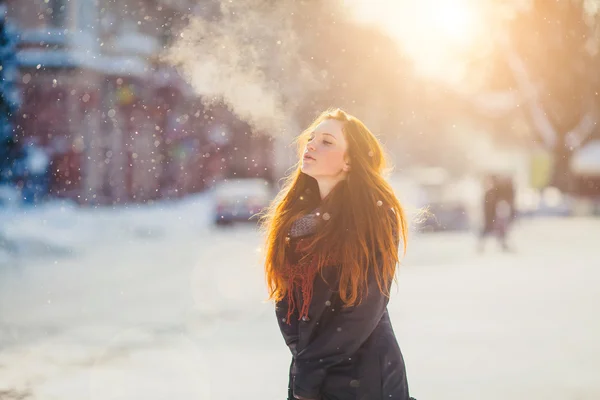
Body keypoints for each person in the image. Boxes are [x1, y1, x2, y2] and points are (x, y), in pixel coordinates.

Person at [260, 108, 416, 400]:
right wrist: (301, 356)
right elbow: (285, 298)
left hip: (365, 373)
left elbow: (366, 306)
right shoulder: (295, 219)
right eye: (312, 138)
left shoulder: (374, 214)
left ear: (349, 161)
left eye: (327, 141)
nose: (312, 145)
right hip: (311, 370)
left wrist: (310, 364)